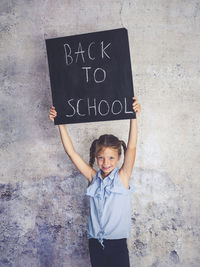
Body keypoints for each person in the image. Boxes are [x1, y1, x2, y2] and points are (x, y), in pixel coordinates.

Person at [49, 97, 141, 267]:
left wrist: (133, 116)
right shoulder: (93, 178)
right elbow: (72, 153)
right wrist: (60, 122)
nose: (106, 163)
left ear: (119, 157)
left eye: (111, 158)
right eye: (101, 158)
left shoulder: (123, 177)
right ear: (96, 157)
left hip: (117, 244)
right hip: (95, 244)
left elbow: (133, 147)